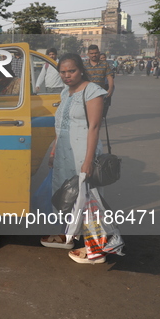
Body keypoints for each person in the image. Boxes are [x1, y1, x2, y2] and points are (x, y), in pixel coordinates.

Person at [40, 53, 109, 264]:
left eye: (71, 71)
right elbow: (60, 127)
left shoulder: (92, 91)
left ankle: (96, 250)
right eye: (63, 72)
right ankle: (67, 236)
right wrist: (53, 152)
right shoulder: (65, 93)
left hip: (83, 153)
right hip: (64, 154)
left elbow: (94, 128)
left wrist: (88, 161)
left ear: (81, 69)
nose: (67, 75)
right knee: (66, 197)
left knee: (89, 199)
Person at [85, 45, 113, 117]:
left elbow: (109, 77)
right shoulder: (84, 65)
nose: (94, 55)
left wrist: (110, 89)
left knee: (98, 115)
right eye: (91, 53)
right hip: (87, 94)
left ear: (99, 53)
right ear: (88, 54)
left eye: (96, 53)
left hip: (100, 93)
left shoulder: (104, 64)